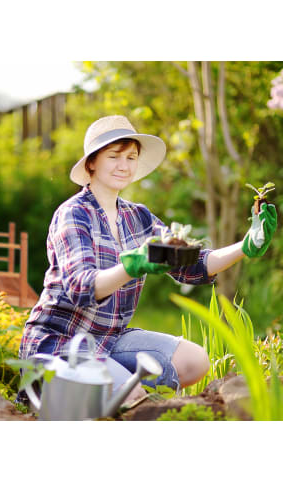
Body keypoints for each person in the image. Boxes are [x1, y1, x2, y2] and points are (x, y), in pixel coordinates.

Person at [17, 115, 277, 405]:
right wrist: (132, 266)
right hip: (60, 344)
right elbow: (81, 288)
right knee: (133, 396)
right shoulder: (73, 214)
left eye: (130, 157)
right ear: (91, 163)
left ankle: (109, 391)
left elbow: (190, 264)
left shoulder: (137, 216)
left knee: (195, 360)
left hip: (110, 340)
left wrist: (246, 245)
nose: (123, 165)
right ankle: (63, 393)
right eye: (113, 156)